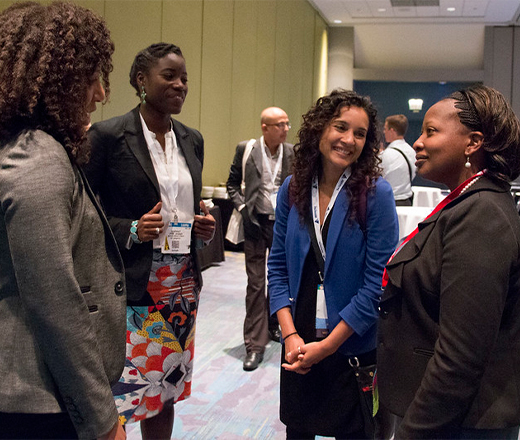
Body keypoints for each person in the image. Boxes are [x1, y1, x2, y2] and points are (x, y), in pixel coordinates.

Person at [0, 2, 126, 439]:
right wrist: (103, 421)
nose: (100, 93)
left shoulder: (17, 147)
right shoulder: (39, 159)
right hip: (36, 400)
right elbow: (54, 304)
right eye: (92, 77)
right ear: (59, 78)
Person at [84, 43, 215, 439]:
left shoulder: (192, 139)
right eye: (169, 76)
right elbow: (85, 214)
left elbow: (184, 207)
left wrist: (200, 226)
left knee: (166, 388)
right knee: (124, 390)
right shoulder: (107, 136)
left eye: (185, 78)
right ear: (141, 80)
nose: (180, 85)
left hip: (182, 284)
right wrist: (131, 229)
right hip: (133, 282)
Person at [377, 84, 520, 439]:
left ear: (472, 143)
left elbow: (460, 357)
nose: (417, 144)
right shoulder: (467, 204)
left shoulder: (481, 215)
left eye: (431, 131)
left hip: (458, 424)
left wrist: (412, 433)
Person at [268, 89, 398, 438]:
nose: (348, 140)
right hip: (299, 343)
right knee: (298, 431)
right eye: (341, 127)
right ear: (320, 129)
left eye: (360, 134)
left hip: (349, 345)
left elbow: (377, 285)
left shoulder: (376, 194)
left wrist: (326, 348)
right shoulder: (292, 189)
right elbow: (277, 267)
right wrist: (290, 334)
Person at [227, 107, 294, 371]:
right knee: (255, 284)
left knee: (279, 280)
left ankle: (272, 326)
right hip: (255, 223)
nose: (286, 129)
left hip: (282, 226)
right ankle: (254, 346)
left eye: (287, 124)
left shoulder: (291, 153)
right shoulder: (246, 149)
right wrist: (243, 210)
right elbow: (232, 184)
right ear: (265, 127)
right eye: (280, 124)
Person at [380, 114, 416, 205]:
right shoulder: (412, 152)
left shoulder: (386, 155)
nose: (384, 132)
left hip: (390, 202)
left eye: (385, 129)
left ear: (392, 131)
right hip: (408, 201)